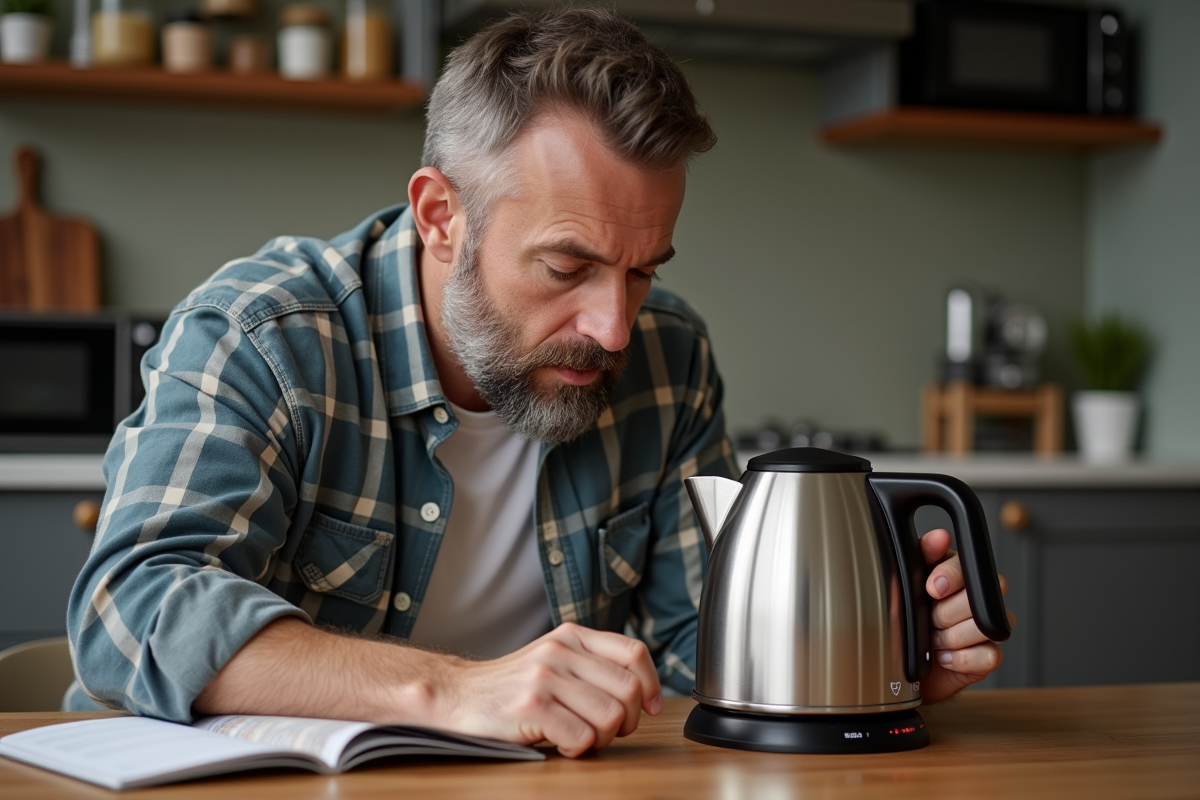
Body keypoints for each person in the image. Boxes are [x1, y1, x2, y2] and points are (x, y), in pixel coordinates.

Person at [67, 8, 1012, 758]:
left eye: (643, 270)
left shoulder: (668, 356)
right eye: (567, 267)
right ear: (442, 216)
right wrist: (455, 689)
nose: (614, 327)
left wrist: (858, 667)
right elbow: (133, 607)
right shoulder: (269, 337)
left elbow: (700, 652)